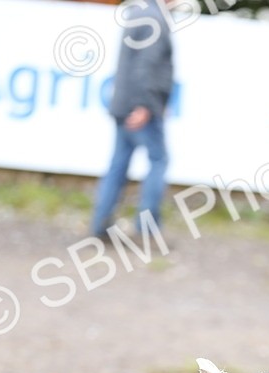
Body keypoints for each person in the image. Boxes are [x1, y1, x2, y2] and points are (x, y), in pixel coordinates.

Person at [89, 0, 174, 238]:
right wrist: (146, 104)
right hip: (140, 108)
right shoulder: (155, 19)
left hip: (123, 104)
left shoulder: (138, 12)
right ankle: (147, 229)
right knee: (159, 160)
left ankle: (100, 224)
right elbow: (147, 66)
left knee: (118, 165)